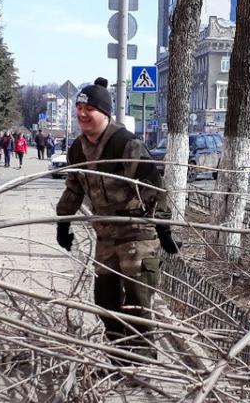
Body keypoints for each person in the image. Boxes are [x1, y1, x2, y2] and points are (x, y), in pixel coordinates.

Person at [55, 78, 177, 362]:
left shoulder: (125, 144)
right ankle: (118, 358)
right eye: (79, 108)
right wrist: (64, 223)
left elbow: (153, 186)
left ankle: (142, 362)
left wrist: (164, 228)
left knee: (137, 303)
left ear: (105, 112)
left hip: (137, 236)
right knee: (106, 301)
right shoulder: (77, 149)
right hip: (106, 237)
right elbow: (74, 186)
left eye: (89, 109)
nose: (82, 114)